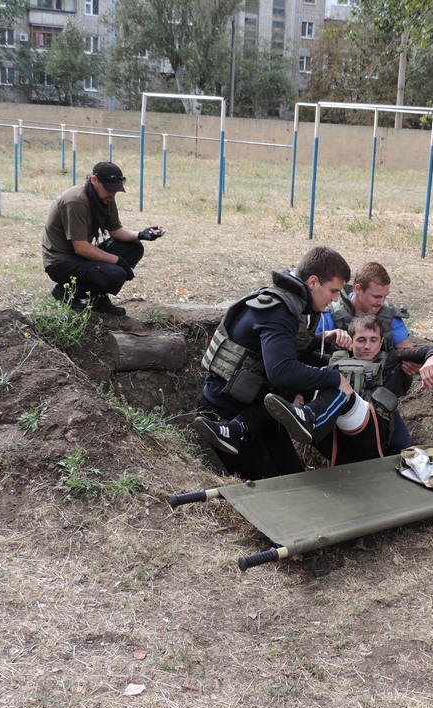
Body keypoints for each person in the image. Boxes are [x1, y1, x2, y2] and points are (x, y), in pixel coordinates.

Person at [193, 245, 355, 480]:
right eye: (333, 290)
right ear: (313, 282)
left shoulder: (291, 303)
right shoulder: (279, 310)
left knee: (294, 479)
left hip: (258, 410)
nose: (335, 299)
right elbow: (280, 371)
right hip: (224, 415)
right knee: (269, 490)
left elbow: (280, 347)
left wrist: (322, 339)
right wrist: (334, 378)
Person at [264, 313, 433, 465]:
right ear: (350, 342)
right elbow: (296, 355)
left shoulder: (393, 359)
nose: (367, 346)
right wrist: (296, 392)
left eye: (373, 340)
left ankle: (308, 415)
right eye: (361, 340)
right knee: (326, 376)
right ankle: (305, 417)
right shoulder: (334, 360)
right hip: (334, 438)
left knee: (340, 387)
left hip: (372, 435)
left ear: (381, 342)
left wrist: (431, 360)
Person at [316, 261, 433, 452]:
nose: (381, 302)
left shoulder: (388, 316)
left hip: (377, 396)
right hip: (338, 396)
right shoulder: (331, 314)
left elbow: (408, 350)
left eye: (385, 296)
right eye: (377, 296)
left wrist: (414, 362)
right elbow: (309, 351)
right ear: (358, 289)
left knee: (400, 445)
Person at [42, 161, 164, 316]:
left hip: (80, 256)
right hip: (60, 262)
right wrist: (118, 261)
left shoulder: (105, 198)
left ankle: (97, 297)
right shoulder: (75, 200)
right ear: (94, 180)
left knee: (134, 247)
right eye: (109, 189)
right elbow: (81, 248)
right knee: (115, 273)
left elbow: (116, 231)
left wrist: (142, 234)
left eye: (115, 190)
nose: (112, 194)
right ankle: (66, 292)